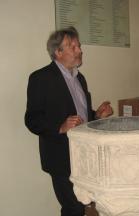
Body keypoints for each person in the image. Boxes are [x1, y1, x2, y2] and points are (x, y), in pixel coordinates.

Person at [25, 26, 113, 216]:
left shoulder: (80, 78)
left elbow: (79, 114)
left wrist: (97, 115)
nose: (79, 50)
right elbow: (32, 119)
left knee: (80, 204)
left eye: (78, 46)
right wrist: (60, 127)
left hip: (83, 154)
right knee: (73, 207)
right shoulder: (41, 78)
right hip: (60, 156)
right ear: (58, 52)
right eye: (72, 46)